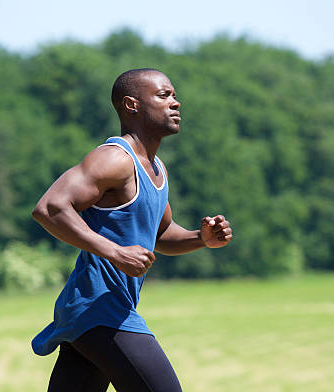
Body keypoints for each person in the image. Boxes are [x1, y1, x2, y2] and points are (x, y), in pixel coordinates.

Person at [31, 68, 233, 392]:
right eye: (164, 95)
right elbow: (50, 208)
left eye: (175, 96)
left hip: (98, 311)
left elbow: (161, 235)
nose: (176, 103)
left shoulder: (156, 169)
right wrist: (114, 251)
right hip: (100, 309)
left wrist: (201, 238)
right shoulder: (114, 159)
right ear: (132, 105)